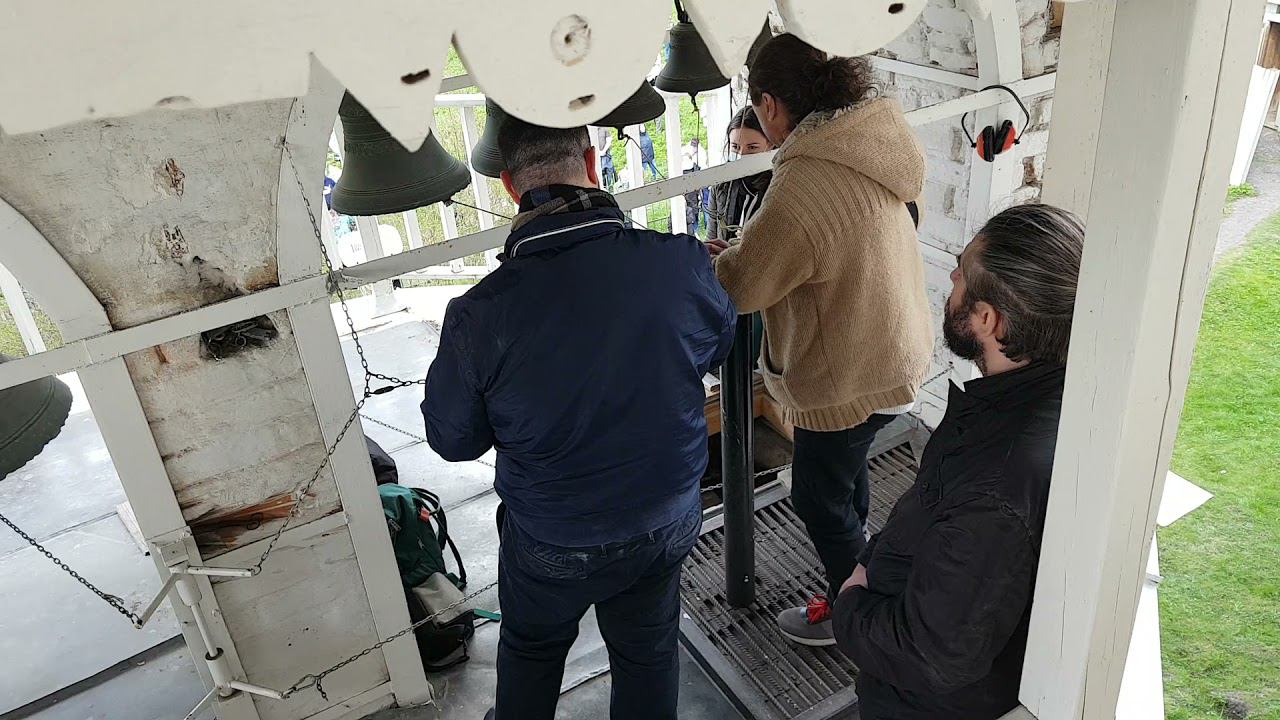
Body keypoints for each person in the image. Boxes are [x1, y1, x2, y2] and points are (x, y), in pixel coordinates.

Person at [422, 116, 736, 720]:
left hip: (555, 536)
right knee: (647, 650)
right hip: (666, 514)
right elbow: (717, 343)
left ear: (510, 186)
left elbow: (453, 440)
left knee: (533, 650)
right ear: (592, 164)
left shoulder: (479, 314)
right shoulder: (680, 261)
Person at [708, 33, 934, 646]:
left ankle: (858, 615)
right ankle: (863, 573)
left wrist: (723, 261)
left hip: (846, 373)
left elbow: (742, 287)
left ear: (770, 104)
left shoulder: (805, 181)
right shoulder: (871, 141)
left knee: (816, 499)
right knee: (844, 480)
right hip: (894, 348)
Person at [832, 204, 1085, 719]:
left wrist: (850, 607)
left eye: (960, 275)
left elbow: (932, 655)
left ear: (988, 319)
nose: (951, 283)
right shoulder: (1025, 400)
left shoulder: (997, 488)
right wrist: (873, 558)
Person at [708, 106, 775, 365]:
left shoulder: (777, 190)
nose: (742, 155)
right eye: (735, 147)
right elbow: (712, 235)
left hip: (763, 293)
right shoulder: (722, 186)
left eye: (752, 148)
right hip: (726, 286)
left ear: (771, 145)